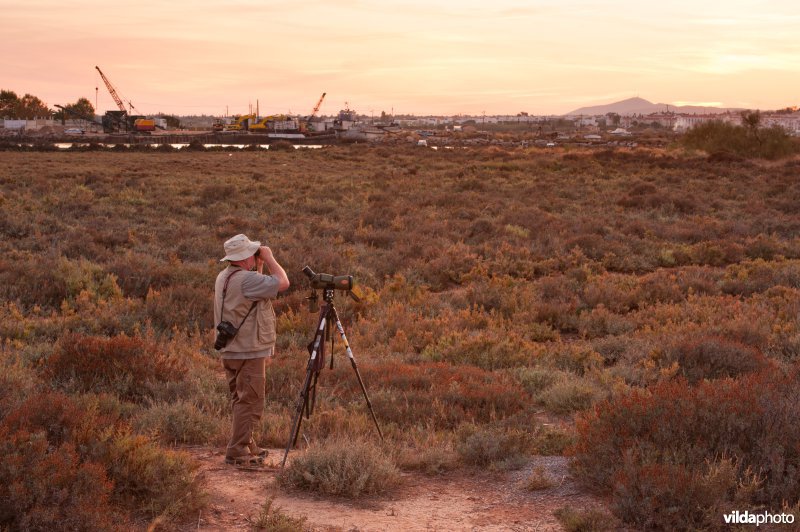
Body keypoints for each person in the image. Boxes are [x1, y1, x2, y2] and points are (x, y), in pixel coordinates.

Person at [214, 234, 290, 467]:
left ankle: (245, 443)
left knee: (241, 399)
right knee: (251, 401)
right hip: (248, 350)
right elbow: (283, 282)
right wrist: (268, 258)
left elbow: (254, 285)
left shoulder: (224, 276)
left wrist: (256, 264)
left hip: (231, 349)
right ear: (245, 256)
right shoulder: (246, 280)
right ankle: (237, 450)